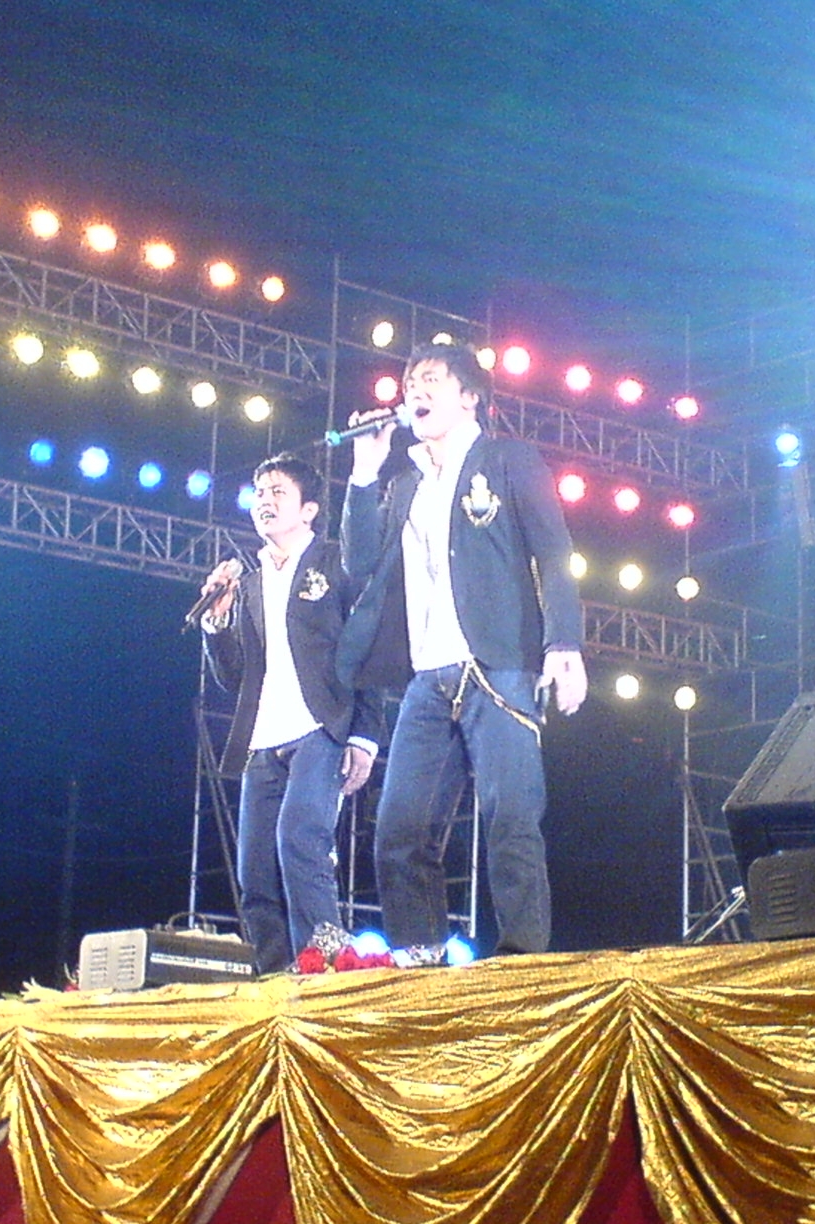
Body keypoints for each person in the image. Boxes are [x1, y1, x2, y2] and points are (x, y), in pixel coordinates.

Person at [339, 341, 587, 964]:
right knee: (399, 830)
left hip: (499, 666)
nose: (414, 391)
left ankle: (522, 959)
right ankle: (420, 960)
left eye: (430, 379)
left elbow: (555, 552)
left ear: (470, 395)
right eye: (409, 383)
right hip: (429, 677)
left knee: (510, 819)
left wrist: (563, 642)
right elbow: (359, 563)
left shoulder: (507, 460)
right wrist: (364, 472)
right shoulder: (403, 482)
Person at [198, 453, 381, 975]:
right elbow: (236, 677)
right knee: (254, 870)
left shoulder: (336, 564)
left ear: (309, 509)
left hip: (320, 728)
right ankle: (274, 978)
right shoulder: (252, 584)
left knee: (300, 841)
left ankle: (325, 969)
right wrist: (217, 623)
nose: (265, 501)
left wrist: (365, 736)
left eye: (278, 492)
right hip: (263, 740)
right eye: (259, 493)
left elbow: (365, 649)